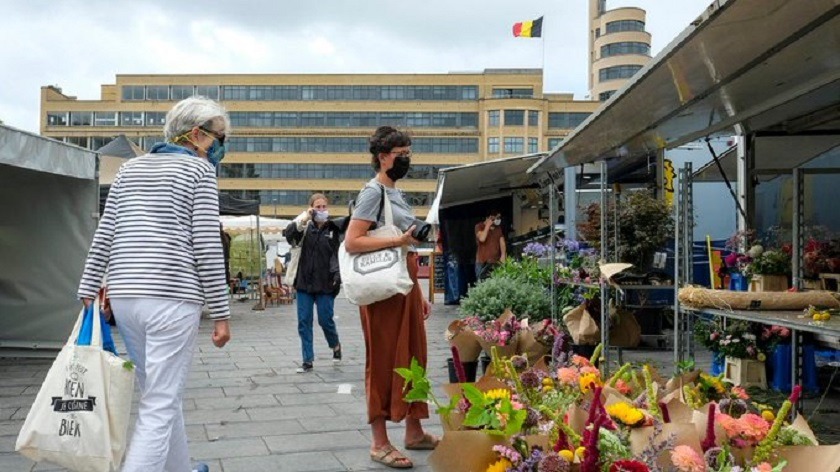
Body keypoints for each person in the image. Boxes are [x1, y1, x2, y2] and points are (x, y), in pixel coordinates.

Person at [77, 96, 232, 472]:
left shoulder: (130, 170)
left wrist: (88, 286)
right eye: (219, 138)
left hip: (127, 297)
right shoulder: (199, 173)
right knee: (160, 402)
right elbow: (206, 244)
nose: (221, 147)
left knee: (159, 394)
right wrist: (222, 313)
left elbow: (106, 231)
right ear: (196, 135)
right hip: (172, 297)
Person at [344, 126, 436, 469]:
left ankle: (414, 430)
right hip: (381, 290)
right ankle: (379, 442)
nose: (407, 159)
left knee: (414, 356)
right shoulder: (372, 192)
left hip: (403, 285)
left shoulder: (395, 192)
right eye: (402, 154)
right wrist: (398, 242)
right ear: (383, 157)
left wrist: (416, 293)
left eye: (409, 152)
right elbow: (353, 241)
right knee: (384, 360)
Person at [283, 193, 342, 373]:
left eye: (324, 207)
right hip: (304, 283)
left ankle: (335, 344)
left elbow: (340, 254)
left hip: (325, 284)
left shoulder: (333, 229)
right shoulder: (304, 228)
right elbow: (290, 234)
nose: (321, 210)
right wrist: (305, 217)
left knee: (325, 320)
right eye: (317, 207)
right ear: (311, 208)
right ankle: (307, 359)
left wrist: (337, 277)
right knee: (304, 321)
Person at [475, 209, 507, 280]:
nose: (498, 220)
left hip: (495, 262)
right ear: (489, 217)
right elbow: (482, 239)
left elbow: (502, 241)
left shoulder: (498, 228)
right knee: (482, 283)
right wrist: (487, 226)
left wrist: (503, 255)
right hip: (482, 262)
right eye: (496, 218)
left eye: (499, 218)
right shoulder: (479, 226)